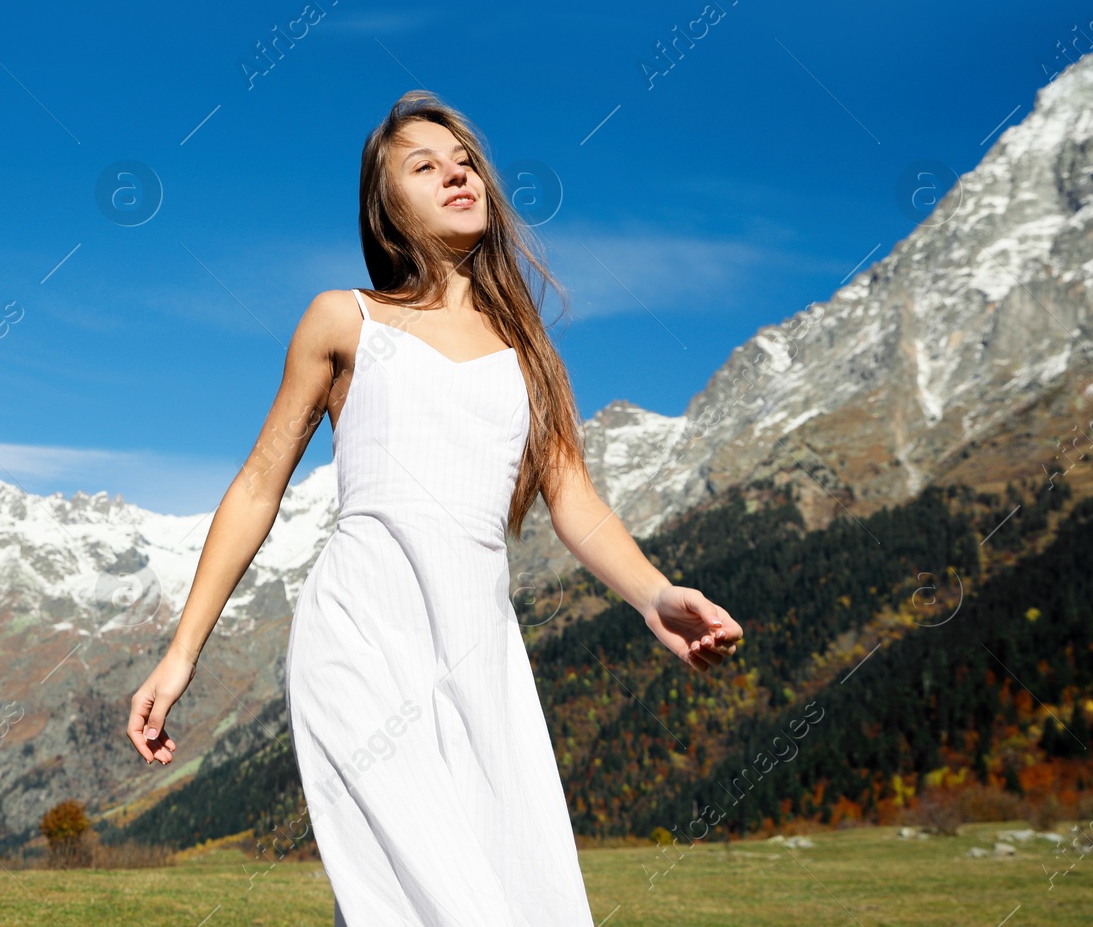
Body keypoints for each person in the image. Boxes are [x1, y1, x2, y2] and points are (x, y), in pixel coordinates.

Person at [126, 90, 744, 925]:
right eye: (424, 165)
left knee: (523, 899)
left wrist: (654, 594)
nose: (456, 172)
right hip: (358, 640)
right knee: (427, 899)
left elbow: (574, 500)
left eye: (465, 163)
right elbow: (258, 485)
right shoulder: (345, 318)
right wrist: (181, 653)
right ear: (388, 209)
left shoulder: (530, 355)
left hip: (481, 657)